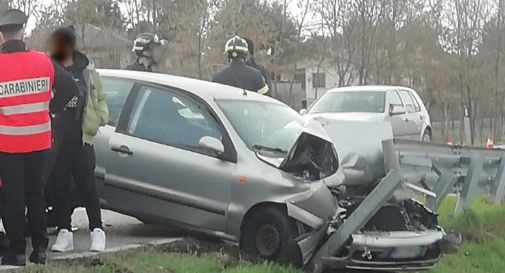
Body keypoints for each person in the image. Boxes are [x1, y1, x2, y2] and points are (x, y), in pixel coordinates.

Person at [0, 9, 77, 266]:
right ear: (23, 32)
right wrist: (49, 110)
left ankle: (17, 250)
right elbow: (70, 88)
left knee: (14, 197)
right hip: (39, 142)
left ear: (2, 36)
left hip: (8, 143)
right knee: (36, 194)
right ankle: (40, 250)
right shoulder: (43, 62)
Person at [48, 26, 109, 253]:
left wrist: (100, 117)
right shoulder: (50, 68)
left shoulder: (87, 70)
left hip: (81, 139)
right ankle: (64, 231)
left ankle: (97, 230)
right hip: (57, 141)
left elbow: (100, 98)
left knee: (87, 186)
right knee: (59, 187)